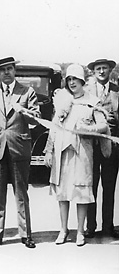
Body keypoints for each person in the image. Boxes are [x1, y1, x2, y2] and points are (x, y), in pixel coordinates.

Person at [0, 56, 41, 249]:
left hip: (19, 148)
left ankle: (25, 234)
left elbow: (37, 119)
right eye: (2, 70)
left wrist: (26, 112)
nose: (6, 73)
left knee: (21, 194)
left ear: (14, 70)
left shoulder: (27, 92)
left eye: (9, 69)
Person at [44, 64, 108, 246]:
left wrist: (89, 128)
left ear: (82, 81)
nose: (72, 83)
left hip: (83, 154)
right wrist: (49, 150)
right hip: (62, 152)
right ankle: (63, 230)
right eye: (69, 79)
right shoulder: (62, 100)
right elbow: (53, 128)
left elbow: (104, 125)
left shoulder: (92, 101)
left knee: (81, 192)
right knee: (63, 193)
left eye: (75, 79)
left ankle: (80, 231)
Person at [85, 59, 119, 238]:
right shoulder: (86, 91)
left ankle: (108, 227)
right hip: (91, 145)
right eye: (98, 69)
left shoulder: (116, 90)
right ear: (93, 72)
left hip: (112, 146)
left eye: (104, 68)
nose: (101, 71)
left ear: (110, 70)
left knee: (109, 186)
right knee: (91, 186)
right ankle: (90, 226)